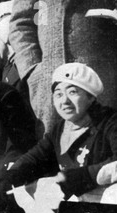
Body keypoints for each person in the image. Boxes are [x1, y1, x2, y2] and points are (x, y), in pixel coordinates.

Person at [0, 63, 117, 213]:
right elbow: (32, 160)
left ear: (91, 97)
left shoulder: (110, 122)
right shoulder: (59, 131)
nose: (64, 101)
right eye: (58, 94)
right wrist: (8, 178)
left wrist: (78, 178)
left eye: (73, 92)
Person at [9, 0, 117, 137]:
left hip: (104, 81)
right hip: (49, 85)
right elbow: (20, 24)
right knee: (55, 148)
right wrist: (33, 70)